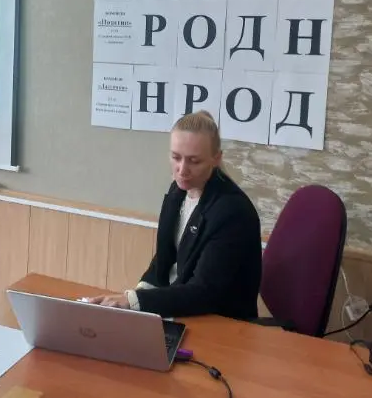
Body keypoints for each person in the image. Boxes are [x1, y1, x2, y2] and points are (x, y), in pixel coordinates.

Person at [89, 111, 262, 319]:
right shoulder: (178, 191)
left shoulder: (232, 211)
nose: (182, 170)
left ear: (216, 159)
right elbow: (163, 262)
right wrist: (135, 297)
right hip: (181, 310)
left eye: (194, 161)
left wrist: (134, 301)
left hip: (219, 321)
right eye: (176, 157)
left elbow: (205, 292)